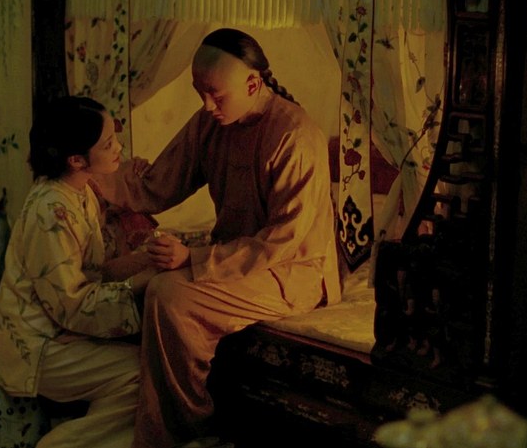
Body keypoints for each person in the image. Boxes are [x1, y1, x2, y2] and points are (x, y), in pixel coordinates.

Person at [94, 28, 342, 447]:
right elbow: (158, 184)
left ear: (253, 84)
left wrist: (193, 258)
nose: (207, 105)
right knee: (125, 274)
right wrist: (89, 177)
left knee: (169, 295)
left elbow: (282, 241)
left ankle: (190, 431)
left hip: (292, 271)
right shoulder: (211, 123)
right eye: (200, 92)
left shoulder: (295, 136)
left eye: (215, 94)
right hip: (233, 261)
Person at [0, 96, 157, 448]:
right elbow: (71, 303)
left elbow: (94, 272)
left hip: (62, 331)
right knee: (142, 373)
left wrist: (148, 260)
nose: (118, 148)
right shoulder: (51, 211)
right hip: (39, 346)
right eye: (108, 143)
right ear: (76, 159)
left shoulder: (79, 193)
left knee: (152, 364)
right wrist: (141, 284)